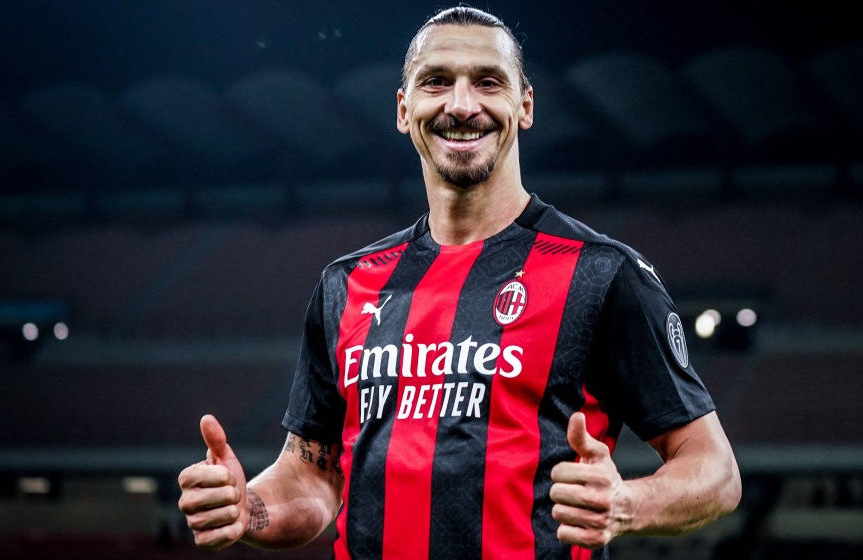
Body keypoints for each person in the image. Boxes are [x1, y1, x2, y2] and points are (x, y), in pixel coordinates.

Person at [177, 6, 741, 559]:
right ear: (404, 109)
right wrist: (247, 509)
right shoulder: (346, 284)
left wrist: (627, 504)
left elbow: (715, 469)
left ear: (525, 106)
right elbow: (312, 476)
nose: (462, 105)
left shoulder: (601, 273)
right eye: (437, 82)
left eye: (488, 82)